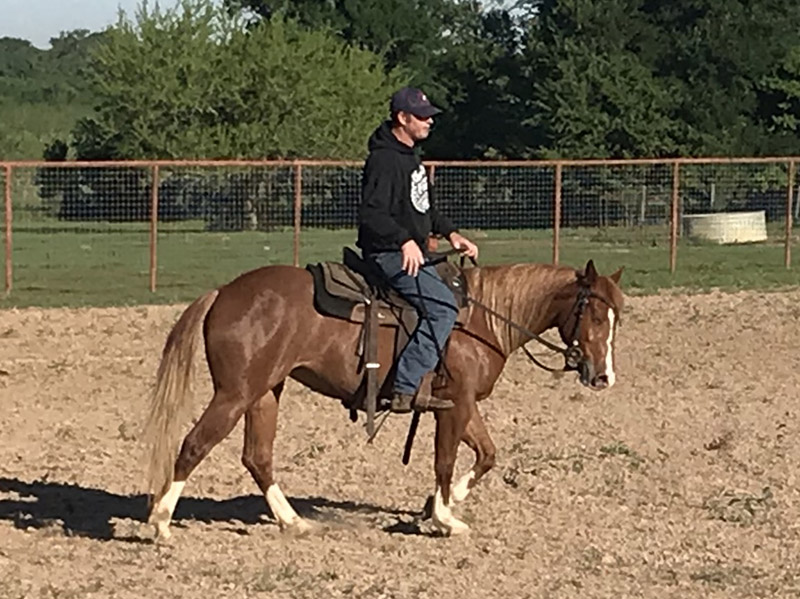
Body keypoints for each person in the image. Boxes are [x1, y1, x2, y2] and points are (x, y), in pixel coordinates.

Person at [356, 86, 479, 414]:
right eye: (423, 117)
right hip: (388, 254)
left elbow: (425, 209)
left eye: (429, 116)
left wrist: (451, 232)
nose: (429, 122)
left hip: (410, 251)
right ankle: (405, 386)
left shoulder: (411, 158)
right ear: (402, 118)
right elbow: (371, 213)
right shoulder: (383, 160)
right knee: (442, 309)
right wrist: (403, 240)